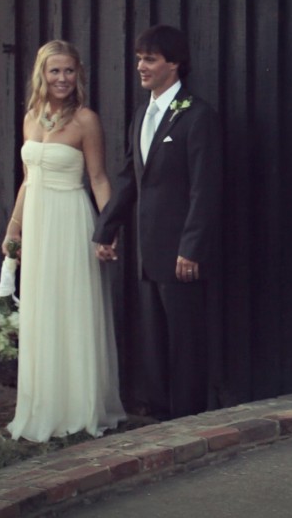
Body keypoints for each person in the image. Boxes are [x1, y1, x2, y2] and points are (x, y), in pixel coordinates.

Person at [94, 24, 224, 420]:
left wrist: (191, 248)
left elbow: (206, 189)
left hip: (181, 253)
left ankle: (187, 420)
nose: (141, 67)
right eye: (138, 59)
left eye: (149, 59)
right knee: (154, 342)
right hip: (147, 252)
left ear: (175, 63)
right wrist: (106, 229)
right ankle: (160, 418)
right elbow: (130, 177)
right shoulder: (142, 115)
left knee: (185, 343)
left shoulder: (198, 115)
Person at [3, 40, 126, 442]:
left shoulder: (86, 120)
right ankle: (45, 405)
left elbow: (99, 179)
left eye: (69, 71)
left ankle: (80, 407)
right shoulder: (30, 118)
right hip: (38, 222)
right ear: (42, 74)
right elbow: (27, 179)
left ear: (79, 75)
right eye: (54, 71)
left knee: (73, 308)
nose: (62, 79)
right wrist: (14, 227)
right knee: (43, 311)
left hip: (72, 221)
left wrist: (108, 229)